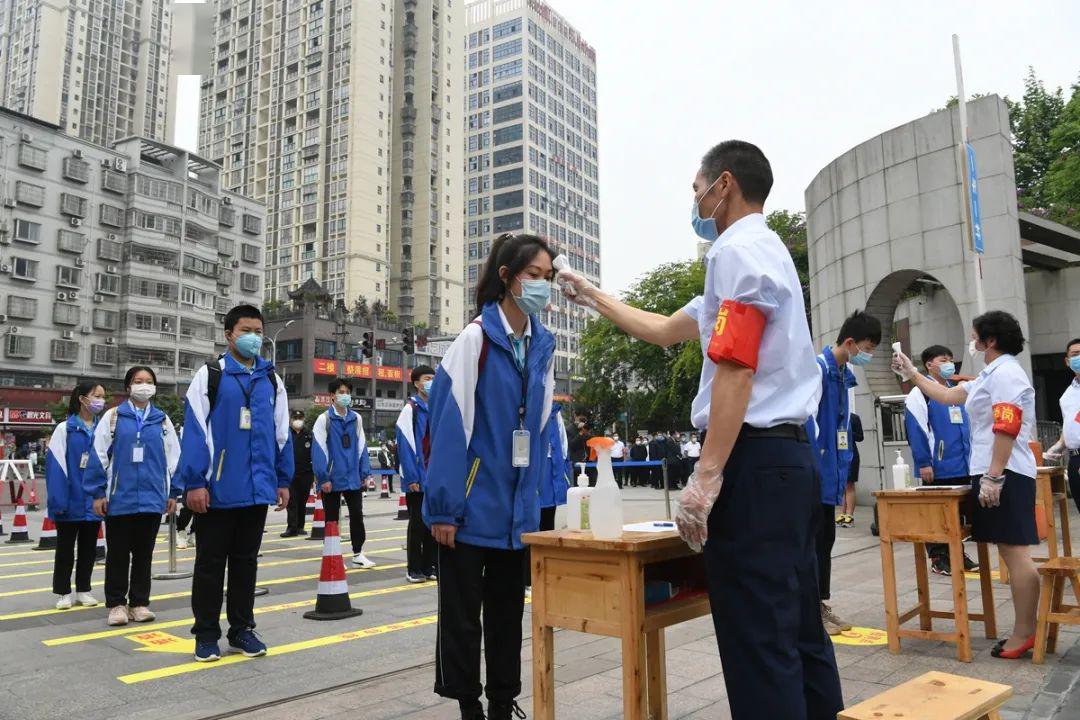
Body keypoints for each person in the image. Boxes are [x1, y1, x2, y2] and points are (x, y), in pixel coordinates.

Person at [559, 140, 843, 718]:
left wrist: (706, 478)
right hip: (785, 464)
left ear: (724, 186)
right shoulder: (766, 252)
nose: (695, 203)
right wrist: (589, 295)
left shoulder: (737, 252)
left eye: (697, 190)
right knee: (795, 626)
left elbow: (736, 368)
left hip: (753, 464)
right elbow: (664, 328)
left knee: (757, 637)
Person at [424, 232, 556, 720]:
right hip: (466, 508)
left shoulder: (542, 345)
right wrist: (443, 508)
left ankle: (503, 701)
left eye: (548, 278)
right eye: (533, 277)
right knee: (462, 618)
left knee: (508, 614)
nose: (542, 287)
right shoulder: (475, 339)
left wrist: (535, 505)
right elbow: (448, 426)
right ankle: (467, 704)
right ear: (506, 278)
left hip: (513, 512)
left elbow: (541, 433)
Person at [893, 310, 1039, 659]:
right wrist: (912, 373)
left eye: (975, 336)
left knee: (1016, 553)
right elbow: (947, 396)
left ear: (990, 340)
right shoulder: (990, 374)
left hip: (1006, 473)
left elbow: (1007, 425)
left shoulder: (1005, 374)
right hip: (995, 471)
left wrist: (994, 475)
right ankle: (1023, 630)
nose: (970, 342)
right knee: (1008, 550)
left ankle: (1024, 633)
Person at [179, 304, 293, 662]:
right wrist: (195, 482)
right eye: (246, 330)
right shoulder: (210, 376)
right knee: (210, 565)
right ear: (228, 334)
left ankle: (242, 630)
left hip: (258, 490)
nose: (254, 338)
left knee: (246, 564)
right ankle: (206, 634)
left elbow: (281, 434)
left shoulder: (271, 379)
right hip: (216, 491)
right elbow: (195, 431)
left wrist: (282, 479)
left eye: (259, 331)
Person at [85, 366, 180, 626]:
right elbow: (98, 455)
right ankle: (116, 604)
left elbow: (175, 458)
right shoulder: (113, 417)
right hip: (119, 499)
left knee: (144, 554)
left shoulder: (161, 420)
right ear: (128, 386)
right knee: (117, 553)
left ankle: (139, 603)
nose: (144, 385)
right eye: (138, 381)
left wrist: (173, 492)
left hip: (152, 499)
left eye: (149, 381)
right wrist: (96, 494)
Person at [807, 310, 880, 635]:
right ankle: (809, 612)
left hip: (831, 475)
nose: (869, 355)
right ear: (850, 342)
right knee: (812, 543)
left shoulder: (842, 374)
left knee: (826, 540)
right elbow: (809, 425)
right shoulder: (818, 371)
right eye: (867, 347)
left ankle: (819, 603)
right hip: (813, 474)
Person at [903, 345, 976, 574]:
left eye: (951, 359)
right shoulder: (921, 393)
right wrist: (924, 462)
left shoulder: (956, 391)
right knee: (936, 517)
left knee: (957, 517)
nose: (949, 363)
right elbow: (916, 428)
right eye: (943, 359)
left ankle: (956, 552)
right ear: (929, 365)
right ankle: (938, 557)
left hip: (962, 465)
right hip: (937, 466)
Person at [45, 381, 106, 610]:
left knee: (89, 549)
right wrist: (58, 501)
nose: (100, 400)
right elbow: (56, 467)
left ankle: (84, 589)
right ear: (82, 398)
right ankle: (63, 592)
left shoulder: (104, 429)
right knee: (65, 550)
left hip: (94, 501)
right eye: (96, 395)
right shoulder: (65, 429)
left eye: (102, 396)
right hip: (70, 501)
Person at [312, 379, 376, 568]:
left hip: (353, 477)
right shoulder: (324, 419)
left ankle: (358, 553)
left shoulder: (356, 418)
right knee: (331, 518)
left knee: (357, 515)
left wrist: (364, 473)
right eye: (341, 392)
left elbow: (362, 446)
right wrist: (323, 477)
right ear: (332, 395)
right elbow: (319, 449)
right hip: (331, 479)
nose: (345, 395)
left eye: (348, 392)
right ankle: (333, 555)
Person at [396, 365, 436, 583]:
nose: (431, 382)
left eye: (433, 378)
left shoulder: (436, 407)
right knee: (417, 525)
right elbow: (406, 446)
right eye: (427, 378)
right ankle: (414, 568)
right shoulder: (410, 410)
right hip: (418, 478)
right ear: (416, 383)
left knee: (432, 523)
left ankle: (430, 566)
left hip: (434, 477)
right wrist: (411, 478)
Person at [1043, 338, 1080, 513]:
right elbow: (1070, 425)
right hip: (1075, 460)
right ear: (1067, 361)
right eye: (1075, 354)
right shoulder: (1067, 395)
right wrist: (1059, 445)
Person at [283, 409, 314, 538]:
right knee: (292, 501)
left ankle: (300, 526)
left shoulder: (309, 435)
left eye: (300, 418)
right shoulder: (286, 434)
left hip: (306, 473)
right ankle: (291, 528)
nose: (297, 421)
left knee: (302, 500)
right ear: (290, 420)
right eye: (295, 418)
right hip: (290, 473)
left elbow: (314, 454)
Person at [837, 413, 863, 528]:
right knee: (842, 485)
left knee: (849, 484)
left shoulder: (854, 418)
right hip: (839, 454)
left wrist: (848, 433)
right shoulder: (835, 417)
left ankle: (850, 515)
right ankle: (842, 513)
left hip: (851, 454)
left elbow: (860, 437)